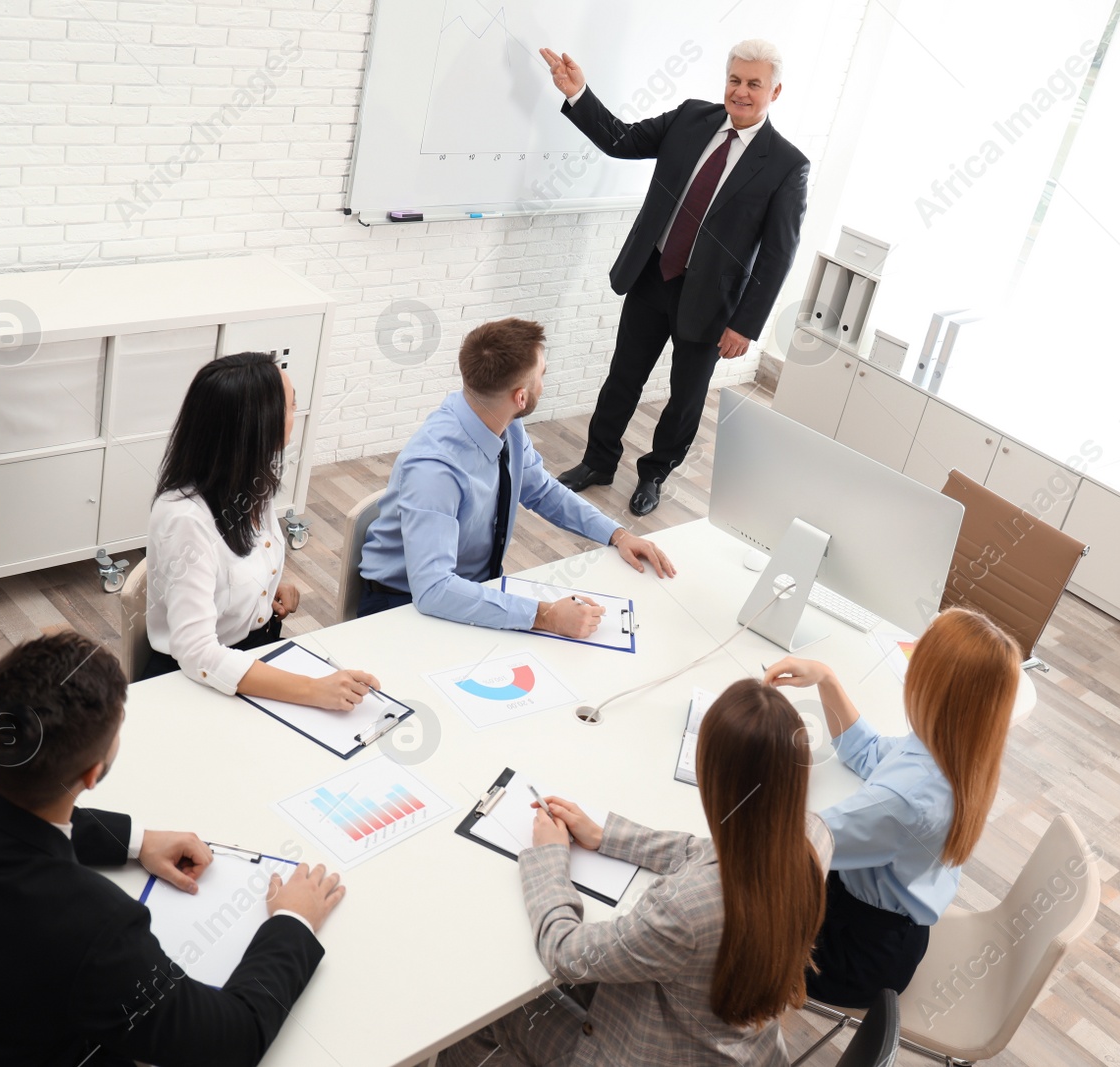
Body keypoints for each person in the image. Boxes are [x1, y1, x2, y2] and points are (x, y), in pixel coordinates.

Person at [0, 631, 345, 1066]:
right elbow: (233, 1038)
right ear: (94, 773)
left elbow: (0, 804)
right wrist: (291, 924)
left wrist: (137, 841)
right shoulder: (96, 928)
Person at [437, 678, 831, 1066]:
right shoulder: (812, 836)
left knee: (485, 1019)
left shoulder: (684, 911)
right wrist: (605, 836)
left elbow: (564, 953)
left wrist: (550, 857)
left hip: (650, 1052)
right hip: (746, 1049)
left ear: (712, 773)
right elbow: (702, 850)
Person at [540, 39, 809, 517]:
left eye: (754, 84)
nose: (741, 92)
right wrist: (580, 93)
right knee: (623, 377)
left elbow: (778, 255)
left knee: (685, 399)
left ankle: (655, 473)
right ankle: (598, 462)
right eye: (734, 80)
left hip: (712, 299)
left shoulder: (787, 165)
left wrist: (746, 325)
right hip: (652, 274)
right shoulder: (690, 118)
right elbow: (620, 140)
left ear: (775, 91)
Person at [765, 607, 1021, 1004]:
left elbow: (800, 840)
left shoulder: (910, 798)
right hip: (886, 921)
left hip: (857, 953)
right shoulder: (958, 750)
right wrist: (826, 678)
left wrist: (749, 775)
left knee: (733, 920)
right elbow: (868, 752)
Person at [357, 317, 675, 634]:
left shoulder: (504, 421)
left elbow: (541, 490)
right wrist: (545, 615)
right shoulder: (434, 470)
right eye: (542, 376)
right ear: (521, 397)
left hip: (470, 588)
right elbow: (433, 590)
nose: (544, 384)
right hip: (403, 606)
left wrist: (617, 534)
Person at [141, 350, 379, 710]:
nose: (296, 415)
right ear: (257, 424)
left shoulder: (253, 482)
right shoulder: (185, 519)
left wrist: (264, 591)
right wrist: (314, 690)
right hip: (194, 681)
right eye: (291, 407)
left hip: (256, 650)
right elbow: (197, 653)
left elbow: (232, 564)